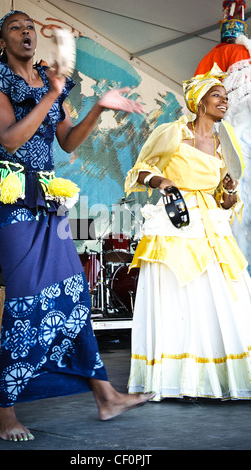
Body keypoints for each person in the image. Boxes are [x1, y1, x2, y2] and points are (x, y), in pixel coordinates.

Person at [0, 10, 153, 442]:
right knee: (28, 299)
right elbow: (11, 139)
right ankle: (5, 412)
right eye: (16, 28)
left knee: (74, 291)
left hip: (48, 198)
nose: (27, 33)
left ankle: (105, 395)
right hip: (13, 196)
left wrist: (98, 108)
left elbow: (67, 141)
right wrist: (51, 95)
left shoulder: (49, 80)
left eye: (31, 27)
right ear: (2, 39)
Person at [124, 63, 251, 402]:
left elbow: (224, 202)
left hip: (212, 228)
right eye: (216, 95)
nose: (224, 101)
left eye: (225, 97)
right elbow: (139, 170)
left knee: (225, 296)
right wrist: (161, 180)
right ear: (199, 101)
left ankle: (216, 378)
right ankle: (180, 381)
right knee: (181, 297)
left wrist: (228, 192)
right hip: (176, 223)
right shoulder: (173, 133)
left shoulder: (226, 146)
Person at [195, 0, 251, 269]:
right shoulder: (240, 53)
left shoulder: (207, 58)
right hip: (236, 136)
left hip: (216, 138)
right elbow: (243, 100)